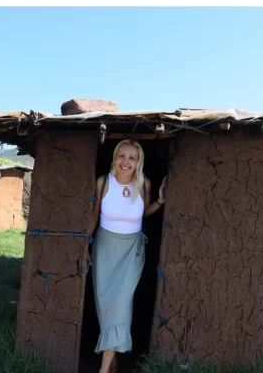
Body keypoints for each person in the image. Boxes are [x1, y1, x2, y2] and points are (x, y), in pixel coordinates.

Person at [90, 140, 166, 373]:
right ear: (114, 158)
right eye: (121, 156)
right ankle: (112, 362)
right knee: (106, 306)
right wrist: (84, 245)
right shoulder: (103, 183)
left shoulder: (144, 185)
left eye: (132, 157)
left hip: (131, 251)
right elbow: (94, 216)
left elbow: (144, 214)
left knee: (119, 304)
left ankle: (103, 370)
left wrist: (160, 201)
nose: (126, 161)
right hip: (104, 248)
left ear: (139, 162)